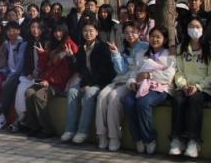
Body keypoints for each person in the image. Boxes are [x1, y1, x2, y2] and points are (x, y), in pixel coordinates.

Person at [121, 27, 175, 155]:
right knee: (128, 102)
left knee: (143, 103)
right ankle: (138, 138)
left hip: (161, 88)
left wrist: (149, 75)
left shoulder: (170, 55)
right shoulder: (142, 54)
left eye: (158, 37)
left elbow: (168, 76)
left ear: (164, 39)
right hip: (141, 87)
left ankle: (149, 138)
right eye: (152, 36)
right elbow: (134, 71)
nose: (154, 39)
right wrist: (132, 82)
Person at [170, 19, 211, 158]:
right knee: (178, 100)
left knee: (194, 100)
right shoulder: (181, 48)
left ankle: (193, 141)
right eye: (191, 26)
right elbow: (178, 71)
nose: (194, 29)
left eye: (197, 26)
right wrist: (183, 85)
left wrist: (198, 87)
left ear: (203, 29)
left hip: (204, 89)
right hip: (185, 86)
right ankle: (177, 139)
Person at [97, 22, 148, 151]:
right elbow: (121, 70)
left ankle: (114, 136)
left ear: (139, 33)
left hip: (132, 81)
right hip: (119, 80)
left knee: (114, 97)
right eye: (126, 33)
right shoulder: (121, 48)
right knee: (102, 96)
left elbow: (140, 68)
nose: (130, 35)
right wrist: (116, 54)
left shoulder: (145, 47)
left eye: (133, 32)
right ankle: (102, 134)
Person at [62, 22, 115, 144]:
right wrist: (71, 57)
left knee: (90, 93)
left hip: (101, 82)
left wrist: (89, 84)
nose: (88, 33)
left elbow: (104, 71)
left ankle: (83, 131)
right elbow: (79, 69)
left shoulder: (103, 47)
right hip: (87, 81)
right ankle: (70, 129)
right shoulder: (81, 48)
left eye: (91, 30)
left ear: (97, 32)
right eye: (85, 31)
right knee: (72, 91)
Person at [22, 25, 77, 137]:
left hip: (60, 84)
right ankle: (34, 126)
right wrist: (43, 55)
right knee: (29, 92)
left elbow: (68, 71)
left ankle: (47, 129)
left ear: (65, 32)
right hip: (46, 80)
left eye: (60, 31)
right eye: (56, 31)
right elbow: (45, 66)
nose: (58, 34)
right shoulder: (53, 45)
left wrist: (50, 82)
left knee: (39, 96)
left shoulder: (70, 45)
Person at [0, 22, 30, 131]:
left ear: (19, 31)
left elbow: (19, 67)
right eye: (9, 30)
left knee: (9, 83)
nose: (11, 33)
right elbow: (8, 65)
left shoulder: (23, 44)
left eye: (14, 30)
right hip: (10, 73)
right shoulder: (7, 44)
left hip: (20, 75)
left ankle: (2, 115)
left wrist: (8, 78)